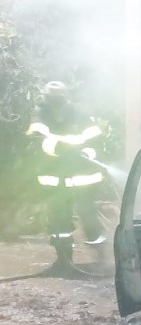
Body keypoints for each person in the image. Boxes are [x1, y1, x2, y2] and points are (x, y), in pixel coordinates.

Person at [26, 81, 106, 273]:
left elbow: (95, 136)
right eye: (52, 99)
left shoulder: (79, 113)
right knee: (59, 220)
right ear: (46, 99)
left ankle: (102, 256)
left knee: (88, 215)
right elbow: (38, 138)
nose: (56, 102)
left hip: (81, 176)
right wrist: (60, 148)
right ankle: (64, 259)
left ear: (66, 97)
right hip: (56, 178)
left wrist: (87, 151)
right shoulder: (40, 115)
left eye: (59, 98)